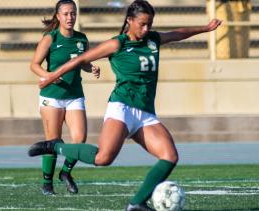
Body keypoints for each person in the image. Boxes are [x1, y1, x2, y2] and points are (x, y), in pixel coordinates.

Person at [29, 0, 221, 209]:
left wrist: (206, 28)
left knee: (170, 156)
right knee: (103, 158)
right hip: (122, 107)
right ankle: (54, 146)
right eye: (142, 24)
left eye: (149, 24)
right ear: (130, 20)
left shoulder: (153, 40)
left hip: (146, 113)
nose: (146, 29)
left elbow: (178, 33)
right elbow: (78, 60)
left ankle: (136, 204)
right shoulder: (117, 44)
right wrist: (50, 77)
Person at [29, 0, 100, 195]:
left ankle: (66, 173)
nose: (70, 17)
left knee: (79, 139)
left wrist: (91, 67)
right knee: (53, 140)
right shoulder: (50, 38)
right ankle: (47, 183)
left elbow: (83, 62)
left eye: (73, 13)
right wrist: (48, 76)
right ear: (58, 16)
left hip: (74, 95)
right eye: (66, 14)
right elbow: (34, 64)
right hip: (52, 97)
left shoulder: (81, 38)